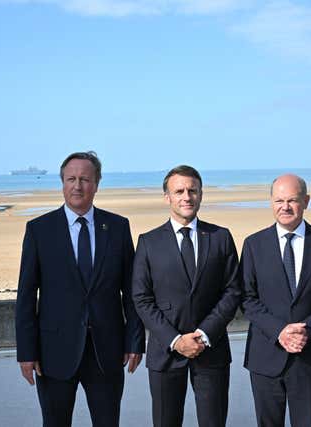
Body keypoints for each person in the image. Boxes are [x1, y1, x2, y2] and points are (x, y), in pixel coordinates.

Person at [15, 151, 145, 427]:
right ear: (62, 183)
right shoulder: (39, 229)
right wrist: (26, 351)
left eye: (85, 179)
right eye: (71, 179)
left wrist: (135, 342)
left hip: (107, 351)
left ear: (96, 184)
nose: (77, 186)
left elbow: (131, 292)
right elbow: (26, 296)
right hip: (53, 353)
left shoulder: (118, 227)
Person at [132, 165, 240, 427]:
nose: (186, 197)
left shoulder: (221, 237)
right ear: (167, 197)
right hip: (166, 353)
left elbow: (233, 290)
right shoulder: (149, 242)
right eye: (179, 191)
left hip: (211, 350)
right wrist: (176, 340)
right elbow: (141, 298)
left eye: (192, 190)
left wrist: (203, 335)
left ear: (201, 194)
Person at [240, 174, 311, 427]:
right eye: (279, 200)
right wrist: (280, 331)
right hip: (266, 355)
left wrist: (306, 329)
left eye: (292, 200)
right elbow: (246, 297)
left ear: (306, 201)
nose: (285, 207)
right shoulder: (254, 244)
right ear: (270, 202)